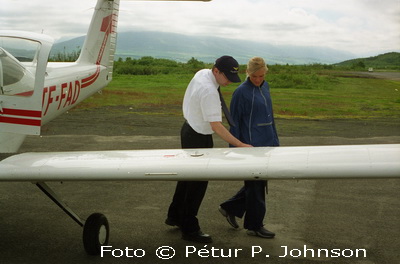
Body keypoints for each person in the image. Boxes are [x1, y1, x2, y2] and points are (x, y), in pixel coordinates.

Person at [165, 56, 252, 243]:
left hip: (189, 129)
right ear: (216, 71)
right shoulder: (209, 91)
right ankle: (189, 228)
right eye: (227, 77)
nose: (229, 81)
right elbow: (217, 126)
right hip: (198, 136)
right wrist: (240, 144)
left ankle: (175, 216)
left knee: (186, 178)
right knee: (197, 184)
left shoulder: (202, 73)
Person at [218, 57, 279, 238]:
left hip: (268, 143)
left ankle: (229, 207)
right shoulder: (241, 93)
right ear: (248, 73)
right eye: (254, 76)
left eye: (261, 76)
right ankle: (254, 225)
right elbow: (234, 123)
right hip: (250, 146)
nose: (258, 79)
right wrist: (235, 149)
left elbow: (270, 117)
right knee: (256, 187)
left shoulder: (265, 87)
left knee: (258, 184)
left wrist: (275, 141)